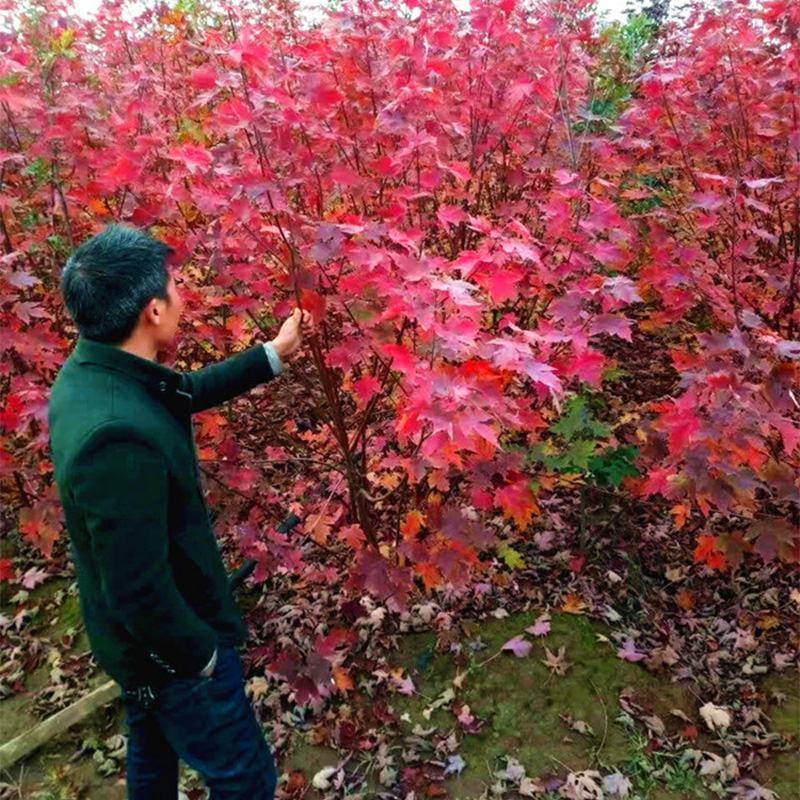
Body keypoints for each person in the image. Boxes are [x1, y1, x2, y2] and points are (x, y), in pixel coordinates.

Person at [46, 223, 313, 799]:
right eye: (175, 285)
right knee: (245, 779)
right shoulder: (115, 439)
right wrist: (204, 658)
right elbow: (139, 591)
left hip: (136, 653)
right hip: (171, 656)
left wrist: (273, 353)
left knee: (152, 758)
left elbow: (178, 391)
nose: (182, 294)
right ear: (152, 311)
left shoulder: (92, 375)